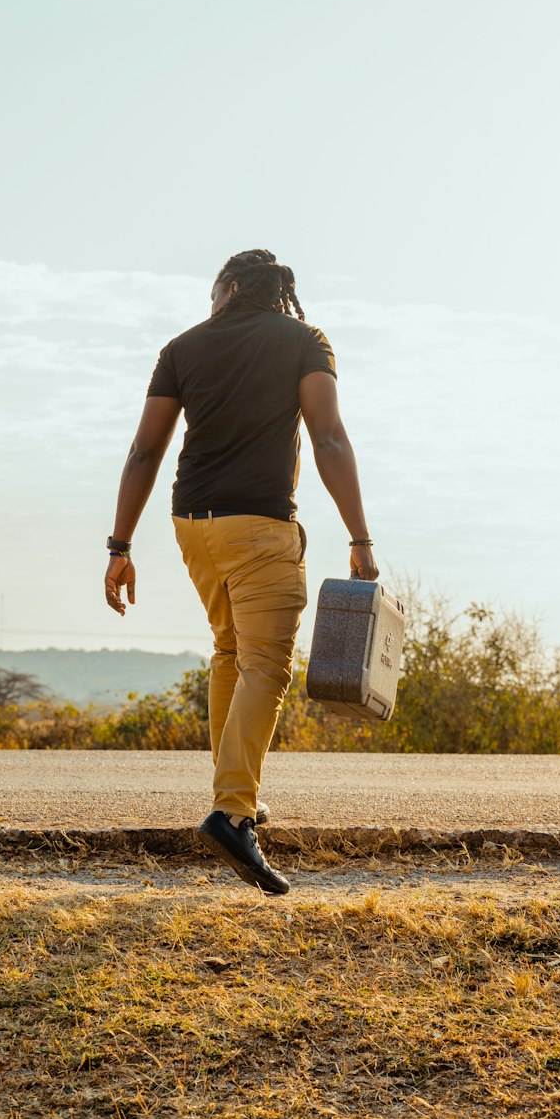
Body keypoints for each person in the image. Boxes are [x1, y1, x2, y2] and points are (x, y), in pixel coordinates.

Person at [104, 248, 377, 894]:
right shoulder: (303, 340)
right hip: (259, 526)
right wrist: (359, 536)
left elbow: (145, 449)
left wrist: (118, 545)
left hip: (192, 526)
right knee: (266, 665)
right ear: (276, 293)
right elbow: (328, 436)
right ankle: (232, 814)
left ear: (227, 289)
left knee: (230, 652)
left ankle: (239, 800)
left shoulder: (182, 346)